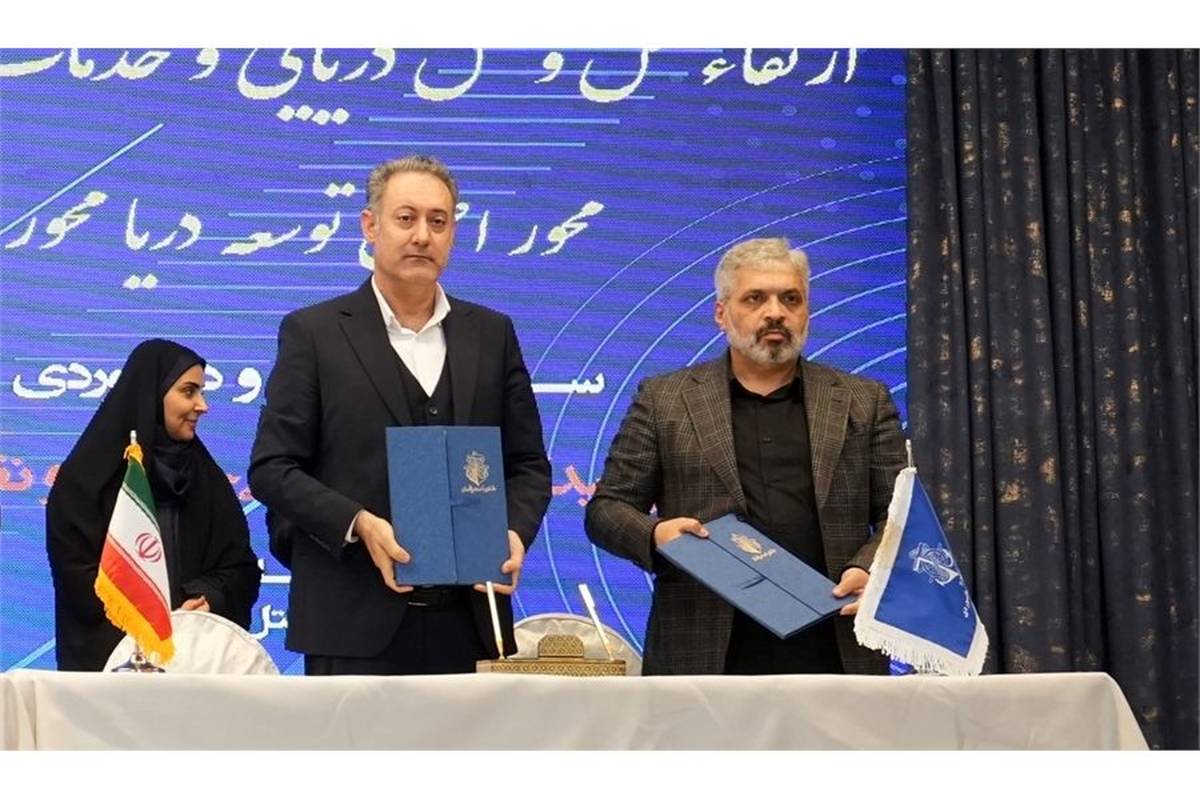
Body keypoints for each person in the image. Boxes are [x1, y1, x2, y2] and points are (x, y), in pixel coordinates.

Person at [248, 155, 551, 676]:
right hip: (351, 624)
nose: (422, 236)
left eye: (438, 221)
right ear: (370, 226)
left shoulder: (492, 334)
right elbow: (272, 468)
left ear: (453, 233)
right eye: (406, 218)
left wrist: (514, 532)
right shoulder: (314, 333)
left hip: (472, 623)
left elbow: (528, 465)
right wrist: (358, 524)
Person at [585, 237, 907, 675]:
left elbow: (900, 515)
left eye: (790, 299)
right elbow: (607, 510)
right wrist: (657, 534)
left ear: (806, 312)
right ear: (721, 313)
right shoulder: (664, 400)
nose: (775, 312)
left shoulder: (863, 400)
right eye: (755, 298)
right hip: (702, 649)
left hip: (835, 642)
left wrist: (868, 568)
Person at [46, 339, 262, 671]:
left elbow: (241, 568)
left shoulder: (208, 480)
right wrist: (146, 620)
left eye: (201, 392)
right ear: (152, 395)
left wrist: (209, 599)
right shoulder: (87, 480)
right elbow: (75, 575)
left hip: (193, 665)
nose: (202, 405)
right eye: (189, 392)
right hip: (108, 669)